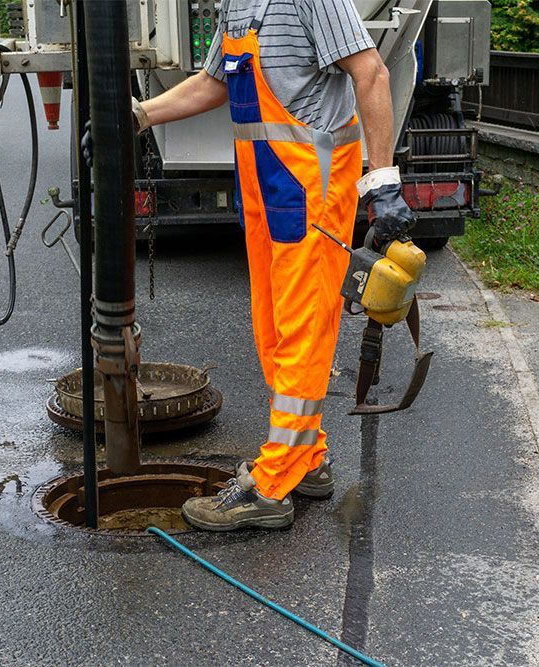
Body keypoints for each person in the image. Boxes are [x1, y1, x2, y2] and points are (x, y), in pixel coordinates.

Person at [132, 0, 415, 530]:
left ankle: (272, 485)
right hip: (266, 189)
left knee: (304, 328)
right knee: (275, 328)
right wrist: (141, 115)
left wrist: (382, 180)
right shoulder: (236, 4)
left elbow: (371, 72)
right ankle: (306, 457)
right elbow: (213, 82)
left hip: (311, 188)